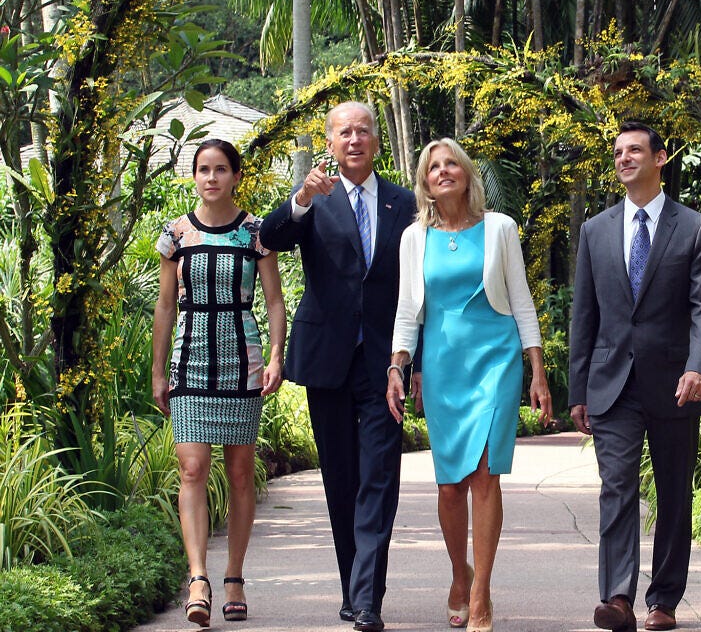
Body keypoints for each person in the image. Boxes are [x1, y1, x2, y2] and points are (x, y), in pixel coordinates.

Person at [259, 101, 416, 632]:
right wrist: (300, 198)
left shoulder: (404, 204)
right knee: (341, 481)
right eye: (343, 132)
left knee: (379, 478)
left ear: (376, 141)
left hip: (384, 364)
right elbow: (271, 239)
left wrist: (412, 359)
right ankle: (354, 588)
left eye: (363, 131)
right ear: (329, 143)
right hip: (327, 358)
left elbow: (419, 288)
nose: (354, 139)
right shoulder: (314, 200)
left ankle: (367, 599)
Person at [386, 138, 553, 632]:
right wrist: (398, 366)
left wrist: (537, 370)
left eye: (451, 163)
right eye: (433, 166)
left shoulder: (501, 228)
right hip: (443, 368)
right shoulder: (414, 237)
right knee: (449, 485)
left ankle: (480, 595)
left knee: (485, 475)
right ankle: (460, 573)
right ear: (425, 181)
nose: (443, 171)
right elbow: (406, 312)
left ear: (466, 172)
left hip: (496, 362)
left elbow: (522, 302)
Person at [568, 122, 701, 632]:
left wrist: (698, 367)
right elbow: (583, 315)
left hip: (675, 383)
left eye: (634, 150)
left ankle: (663, 601)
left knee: (673, 492)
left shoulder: (694, 228)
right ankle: (616, 597)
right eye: (617, 152)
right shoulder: (595, 230)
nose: (623, 158)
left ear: (660, 159)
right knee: (615, 487)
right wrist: (578, 391)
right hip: (611, 383)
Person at [152, 138, 286, 628]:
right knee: (192, 470)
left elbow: (274, 300)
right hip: (190, 361)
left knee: (240, 473)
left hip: (242, 362)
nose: (211, 178)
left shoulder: (256, 232)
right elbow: (165, 306)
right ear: (194, 176)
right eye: (203, 169)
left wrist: (275, 356)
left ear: (235, 175)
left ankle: (234, 577)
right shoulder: (176, 235)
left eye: (221, 169)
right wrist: (158, 369)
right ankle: (197, 578)